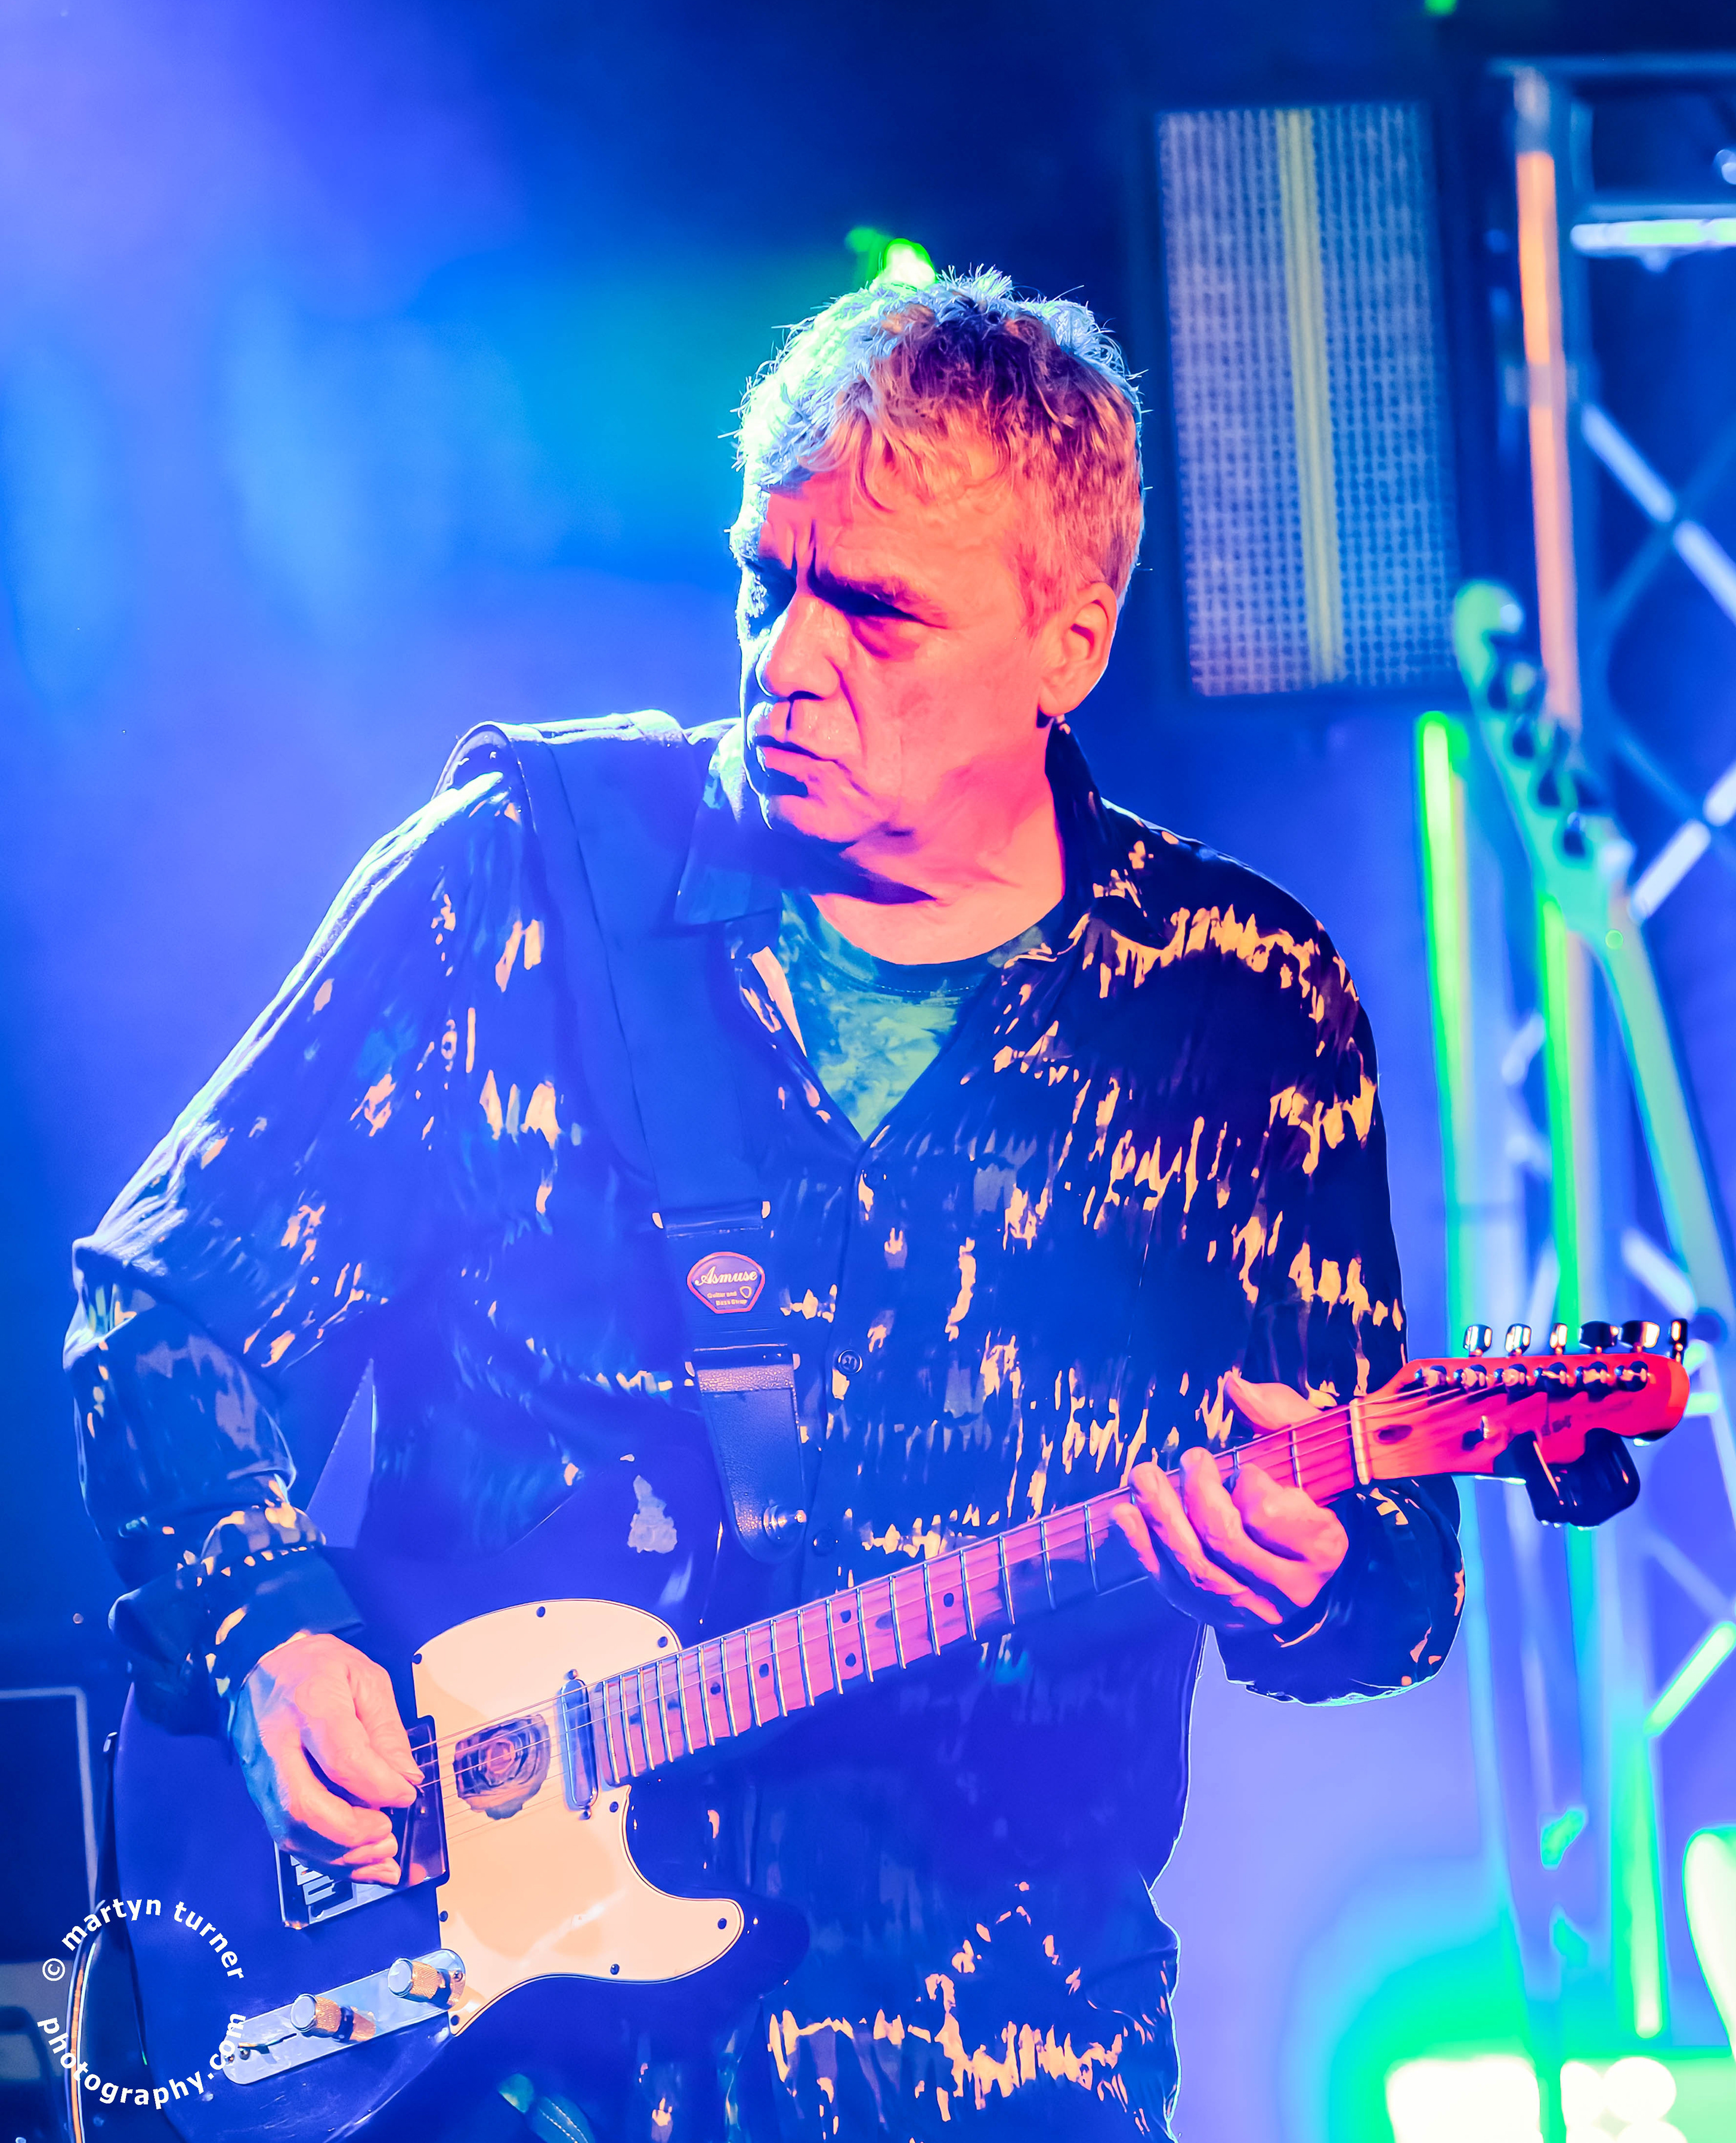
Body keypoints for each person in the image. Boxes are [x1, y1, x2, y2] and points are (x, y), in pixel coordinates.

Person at [65, 272, 1463, 2141]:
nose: (790, 658)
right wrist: (266, 1623)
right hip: (490, 2054)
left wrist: (1312, 1568)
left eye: (877, 610)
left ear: (1068, 640)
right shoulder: (525, 879)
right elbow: (167, 1299)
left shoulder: (1241, 1006)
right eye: (764, 579)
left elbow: (1394, 1584)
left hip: (996, 2058)